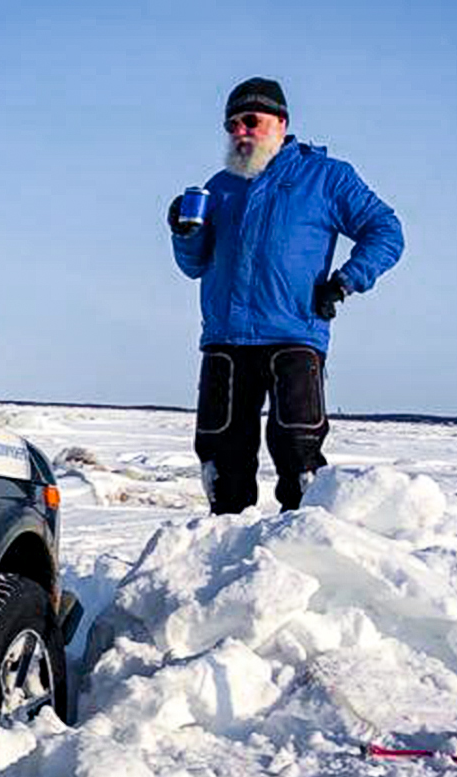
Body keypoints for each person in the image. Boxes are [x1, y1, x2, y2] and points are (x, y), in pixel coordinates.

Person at [169, 77, 403, 514]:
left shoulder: (327, 177)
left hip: (294, 333)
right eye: (232, 124)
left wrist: (345, 281)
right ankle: (224, 558)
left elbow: (387, 231)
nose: (240, 132)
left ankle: (301, 549)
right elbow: (193, 264)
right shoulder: (220, 185)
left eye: (250, 121)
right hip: (226, 339)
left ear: (280, 122)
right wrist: (183, 233)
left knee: (298, 454)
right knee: (221, 457)